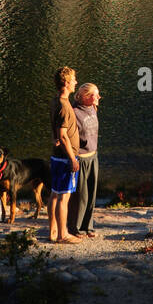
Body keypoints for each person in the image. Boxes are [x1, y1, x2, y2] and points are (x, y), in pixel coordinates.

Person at [48, 65, 81, 244]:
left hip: (56, 155)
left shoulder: (55, 101)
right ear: (67, 83)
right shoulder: (64, 106)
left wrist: (55, 139)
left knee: (54, 193)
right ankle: (63, 235)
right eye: (74, 80)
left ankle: (53, 231)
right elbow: (62, 134)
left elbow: (55, 130)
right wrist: (72, 158)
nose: (76, 82)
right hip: (64, 158)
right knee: (64, 197)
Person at [67, 83, 101, 239]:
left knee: (91, 194)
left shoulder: (93, 108)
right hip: (80, 158)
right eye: (95, 95)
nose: (98, 97)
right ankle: (75, 227)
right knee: (80, 196)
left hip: (93, 156)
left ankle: (88, 226)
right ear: (85, 96)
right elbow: (66, 136)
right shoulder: (74, 112)